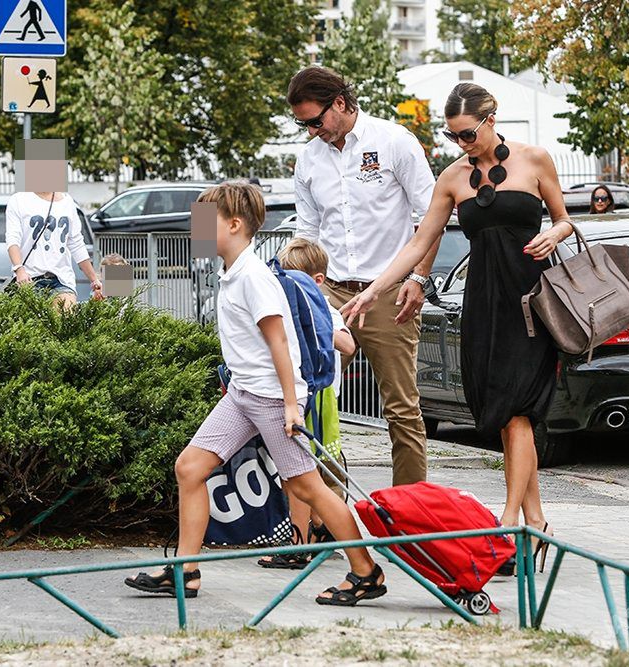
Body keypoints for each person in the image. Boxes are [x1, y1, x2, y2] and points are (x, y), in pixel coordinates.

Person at [341, 83, 573, 572]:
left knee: (517, 412)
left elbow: (564, 219)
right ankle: (536, 524)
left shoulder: (535, 160)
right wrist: (376, 289)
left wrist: (553, 232)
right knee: (505, 414)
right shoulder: (453, 178)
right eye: (452, 137)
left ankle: (508, 525)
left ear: (491, 119)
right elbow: (417, 242)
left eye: (466, 134)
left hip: (532, 302)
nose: (461, 144)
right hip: (484, 304)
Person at [125, 183, 386, 605]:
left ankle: (366, 572)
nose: (196, 228)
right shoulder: (232, 272)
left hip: (270, 398)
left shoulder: (254, 276)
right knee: (190, 468)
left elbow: (280, 344)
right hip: (243, 395)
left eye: (204, 221)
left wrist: (289, 404)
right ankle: (185, 572)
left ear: (233, 224)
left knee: (307, 487)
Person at [288, 65, 440, 487]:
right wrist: (299, 287)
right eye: (303, 124)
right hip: (331, 291)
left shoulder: (393, 142)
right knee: (312, 399)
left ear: (340, 102)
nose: (312, 131)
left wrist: (419, 279)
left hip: (390, 293)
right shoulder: (308, 159)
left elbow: (430, 217)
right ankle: (328, 512)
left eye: (316, 121)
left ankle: (409, 515)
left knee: (401, 408)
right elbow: (307, 231)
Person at [257, 237, 356, 569]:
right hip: (294, 396)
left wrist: (315, 328)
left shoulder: (322, 306)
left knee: (302, 472)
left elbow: (348, 344)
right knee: (299, 473)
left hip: (318, 399)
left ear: (317, 281)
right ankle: (315, 530)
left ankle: (302, 541)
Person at [5, 190, 103, 309]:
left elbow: (76, 244)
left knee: (64, 321)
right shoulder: (18, 200)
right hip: (29, 279)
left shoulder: (68, 202)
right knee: (32, 325)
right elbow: (12, 239)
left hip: (62, 279)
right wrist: (19, 270)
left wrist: (94, 280)